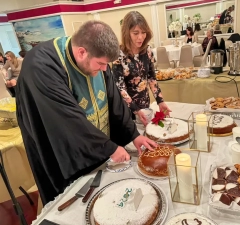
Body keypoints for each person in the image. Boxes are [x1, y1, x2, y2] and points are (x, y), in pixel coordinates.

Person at [16, 20, 157, 205]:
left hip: (95, 145)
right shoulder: (41, 67)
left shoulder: (95, 55)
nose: (105, 70)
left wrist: (133, 135)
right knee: (74, 203)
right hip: (64, 151)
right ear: (82, 52)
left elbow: (113, 99)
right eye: (101, 64)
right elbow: (67, 121)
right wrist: (109, 148)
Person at [112, 11, 171, 126]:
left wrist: (160, 101)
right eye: (135, 33)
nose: (141, 37)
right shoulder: (118, 55)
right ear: (126, 33)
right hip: (128, 110)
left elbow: (151, 78)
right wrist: (136, 109)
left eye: (143, 32)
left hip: (145, 106)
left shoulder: (147, 51)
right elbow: (120, 88)